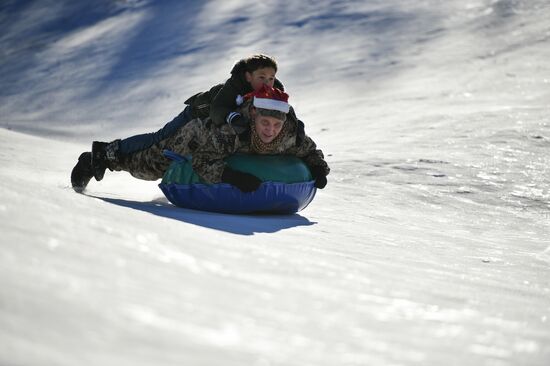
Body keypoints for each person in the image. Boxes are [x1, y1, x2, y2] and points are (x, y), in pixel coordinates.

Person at [71, 54, 305, 190]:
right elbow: (217, 110)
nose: (267, 82)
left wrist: (297, 126)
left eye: (271, 77)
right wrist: (233, 119)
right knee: (157, 141)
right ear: (247, 76)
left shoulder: (273, 90)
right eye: (261, 77)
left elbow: (282, 110)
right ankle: (105, 152)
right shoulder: (234, 86)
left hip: (211, 133)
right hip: (196, 116)